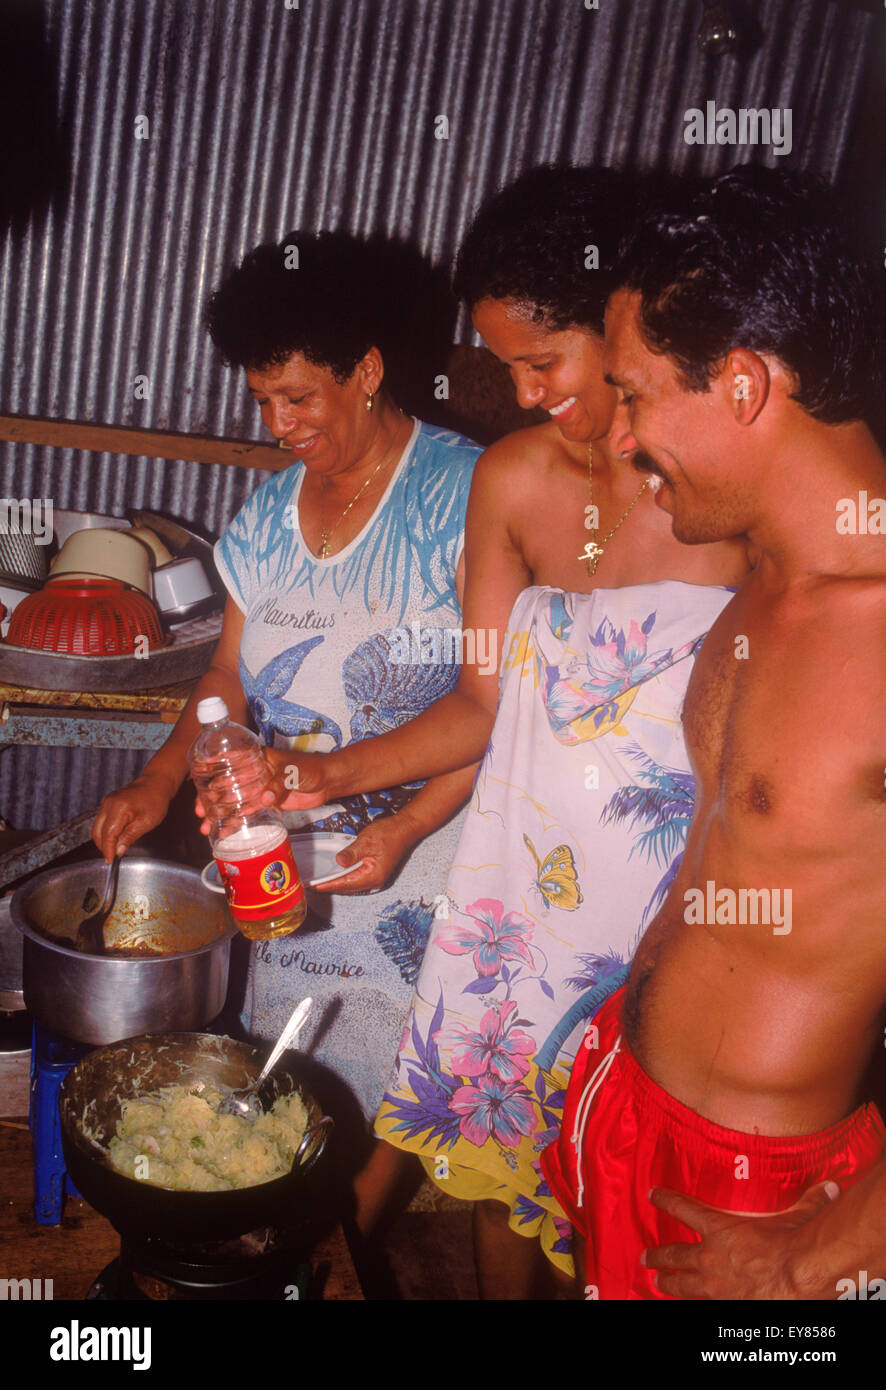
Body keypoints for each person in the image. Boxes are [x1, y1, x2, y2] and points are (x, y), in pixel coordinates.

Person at [273, 167, 748, 1295]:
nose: (526, 393)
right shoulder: (513, 481)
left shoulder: (725, 495)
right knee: (505, 1173)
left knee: (633, 1198)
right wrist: (319, 775)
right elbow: (481, 702)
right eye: (506, 367)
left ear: (624, 326)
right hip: (523, 902)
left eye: (544, 361)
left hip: (675, 904)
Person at [541, 165, 886, 1300]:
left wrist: (805, 1265)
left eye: (636, 396)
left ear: (741, 384)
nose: (621, 438)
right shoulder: (762, 578)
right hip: (631, 1106)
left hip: (763, 1204)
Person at [92, 230, 481, 1230]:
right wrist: (157, 780)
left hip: (426, 868)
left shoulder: (468, 495)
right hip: (282, 867)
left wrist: (401, 822)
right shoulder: (267, 517)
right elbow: (225, 678)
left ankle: (323, 1256)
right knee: (287, 1098)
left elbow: (505, 706)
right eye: (263, 400)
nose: (278, 423)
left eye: (299, 397)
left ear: (368, 371)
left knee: (396, 1102)